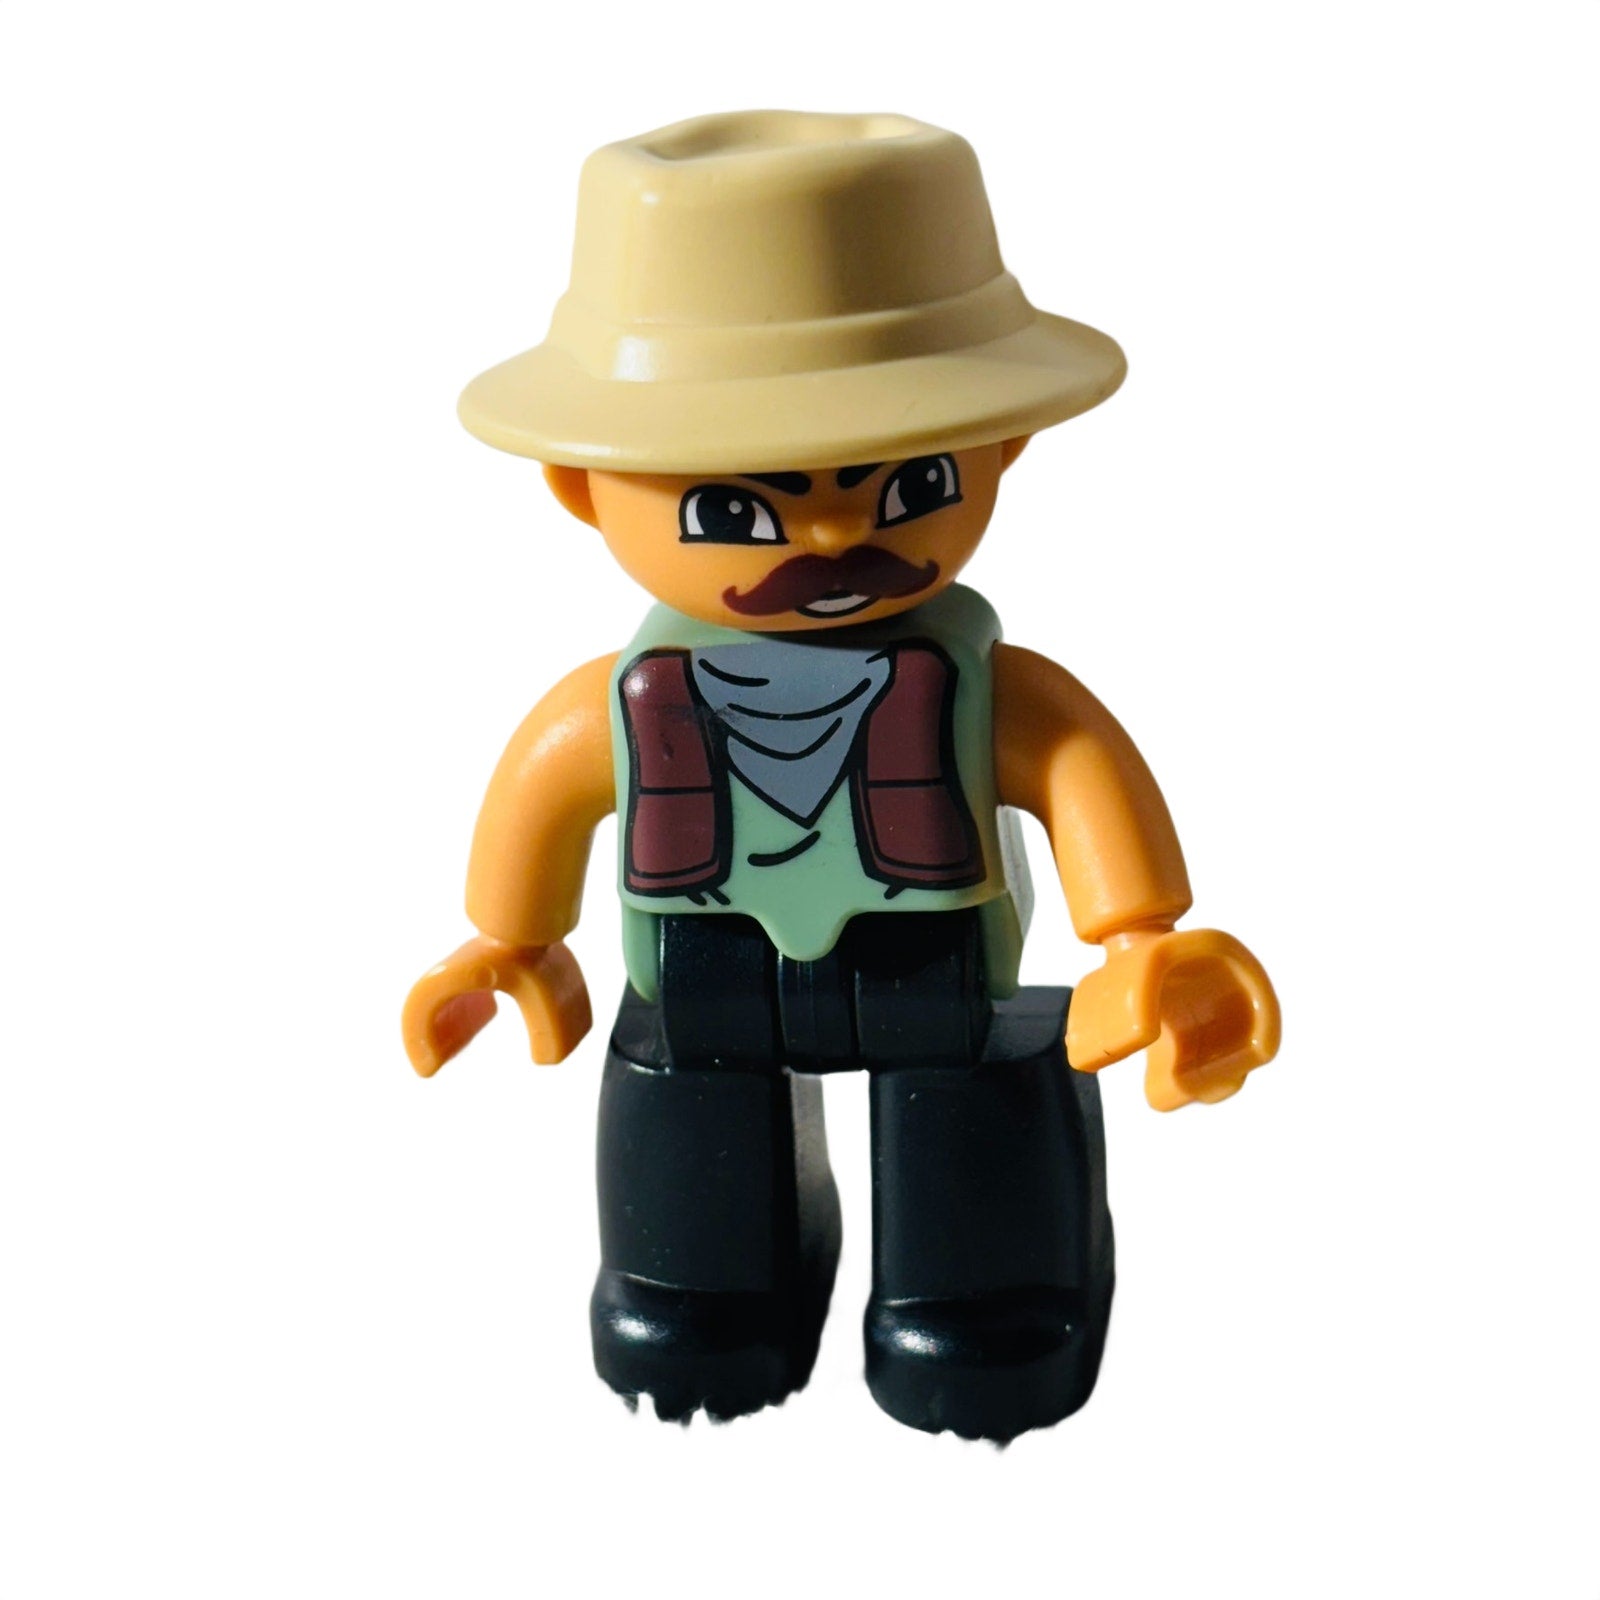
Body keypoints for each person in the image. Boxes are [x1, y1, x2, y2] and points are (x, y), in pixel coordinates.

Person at [402, 110, 1281, 1440]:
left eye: (908, 484)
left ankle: (984, 1307)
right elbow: (546, 790)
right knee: (677, 1105)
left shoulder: (989, 692)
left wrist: (1140, 940)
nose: (829, 541)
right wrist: (510, 942)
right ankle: (698, 1298)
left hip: (935, 971)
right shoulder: (620, 705)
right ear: (583, 487)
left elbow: (1078, 767)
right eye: (735, 509)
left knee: (981, 1098)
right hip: (704, 966)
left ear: (1002, 448)